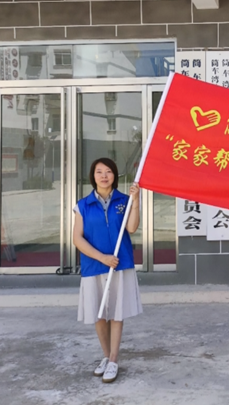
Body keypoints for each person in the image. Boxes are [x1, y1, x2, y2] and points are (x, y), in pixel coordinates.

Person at [73, 157, 143, 383]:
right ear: (93, 176)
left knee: (116, 312)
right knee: (98, 313)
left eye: (108, 171)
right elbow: (77, 239)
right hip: (94, 265)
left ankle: (113, 360)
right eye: (99, 172)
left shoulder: (124, 200)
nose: (104, 176)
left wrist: (136, 201)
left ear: (115, 175)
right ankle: (105, 355)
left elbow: (132, 227)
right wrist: (101, 257)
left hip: (120, 264)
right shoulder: (82, 205)